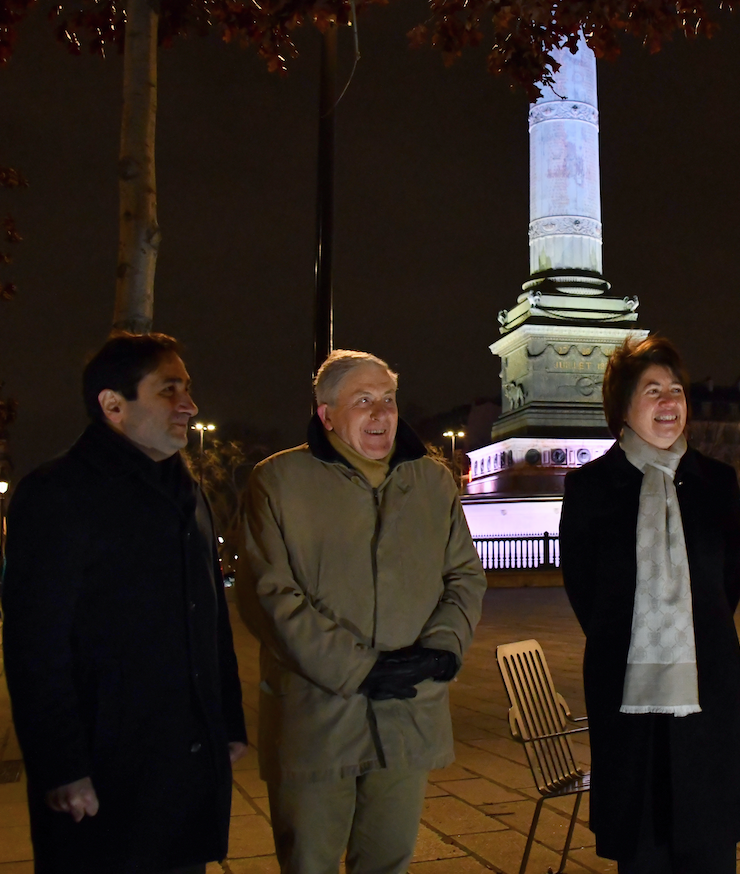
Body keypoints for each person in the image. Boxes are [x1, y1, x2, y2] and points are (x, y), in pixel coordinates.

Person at [1, 332, 248, 874]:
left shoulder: (189, 494)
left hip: (183, 771)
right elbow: (34, 644)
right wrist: (62, 767)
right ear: (113, 405)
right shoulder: (57, 494)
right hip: (103, 774)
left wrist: (226, 720)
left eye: (187, 388)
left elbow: (209, 620)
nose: (189, 404)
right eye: (168, 390)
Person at [235, 349, 486, 874]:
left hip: (407, 712)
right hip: (318, 717)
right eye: (364, 401)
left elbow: (464, 575)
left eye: (389, 400)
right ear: (326, 415)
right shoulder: (278, 482)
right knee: (311, 862)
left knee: (389, 860)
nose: (382, 414)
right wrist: (358, 667)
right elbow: (269, 597)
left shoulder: (433, 482)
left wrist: (442, 649)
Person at [560, 335, 740, 874]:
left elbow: (729, 583)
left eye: (676, 390)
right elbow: (585, 590)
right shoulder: (589, 489)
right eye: (653, 391)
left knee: (710, 846)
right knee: (643, 850)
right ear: (622, 408)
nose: (670, 402)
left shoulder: (717, 483)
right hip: (628, 699)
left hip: (708, 691)